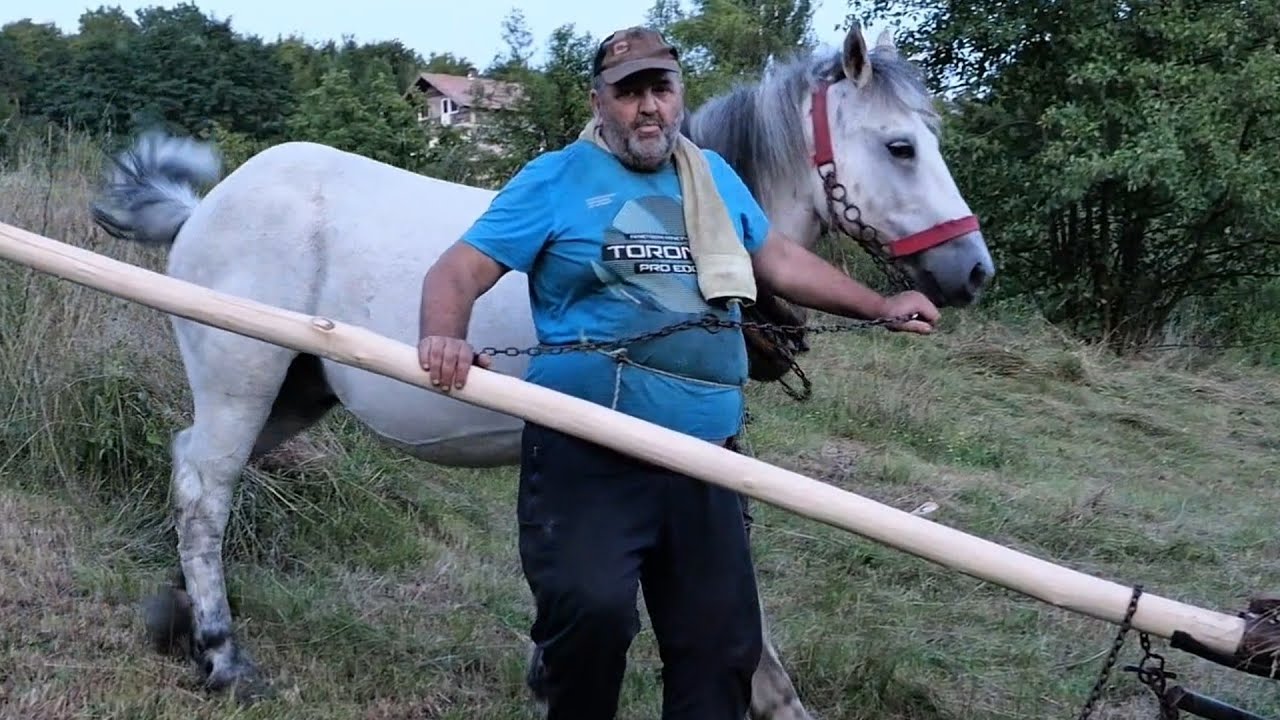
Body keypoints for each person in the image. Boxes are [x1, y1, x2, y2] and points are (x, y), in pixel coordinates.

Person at [417, 25, 940, 720]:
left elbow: (778, 261)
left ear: (678, 95)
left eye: (660, 90)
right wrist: (443, 338)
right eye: (628, 93)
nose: (648, 108)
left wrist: (880, 304)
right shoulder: (555, 179)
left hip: (704, 457)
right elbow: (457, 270)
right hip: (587, 451)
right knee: (592, 619)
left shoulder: (712, 176)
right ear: (599, 102)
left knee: (721, 647)